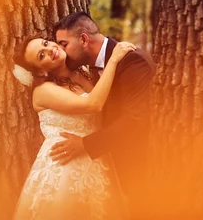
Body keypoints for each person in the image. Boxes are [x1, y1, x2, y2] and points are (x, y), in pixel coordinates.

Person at [11, 33, 136, 219]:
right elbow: (92, 105)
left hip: (96, 157)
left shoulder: (85, 71)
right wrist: (114, 59)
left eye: (46, 44)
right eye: (41, 55)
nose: (49, 50)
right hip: (64, 168)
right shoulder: (43, 92)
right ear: (39, 72)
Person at [53, 12, 156, 219]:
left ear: (83, 39)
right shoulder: (87, 68)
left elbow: (135, 120)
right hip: (105, 167)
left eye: (64, 44)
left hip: (137, 166)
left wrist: (85, 144)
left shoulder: (132, 61)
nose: (61, 52)